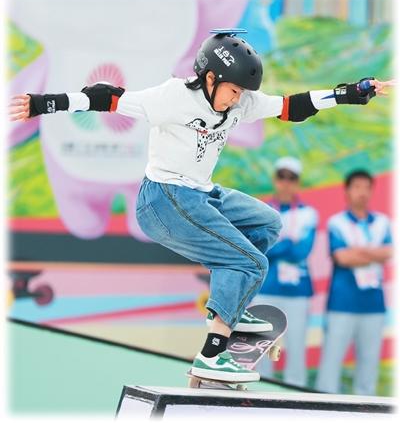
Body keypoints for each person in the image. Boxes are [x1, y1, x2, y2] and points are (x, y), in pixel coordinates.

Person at [9, 29, 393, 383]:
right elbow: (107, 97)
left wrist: (349, 93)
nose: (237, 100)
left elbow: (293, 106)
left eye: (242, 93)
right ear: (210, 78)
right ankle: (212, 354)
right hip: (163, 199)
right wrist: (44, 103)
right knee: (250, 262)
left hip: (202, 193)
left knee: (268, 223)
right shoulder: (173, 97)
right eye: (233, 91)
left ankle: (231, 305)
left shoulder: (240, 102)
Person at [316, 170, 392, 395]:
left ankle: (366, 409)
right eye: (357, 187)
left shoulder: (382, 222)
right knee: (331, 364)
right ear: (347, 191)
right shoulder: (337, 222)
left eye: (367, 187)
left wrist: (358, 250)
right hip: (342, 303)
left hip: (374, 305)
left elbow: (389, 252)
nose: (362, 192)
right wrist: (374, 252)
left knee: (369, 366)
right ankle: (323, 407)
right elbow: (342, 258)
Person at [252, 156, 318, 387]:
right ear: (275, 179)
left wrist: (277, 246)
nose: (286, 182)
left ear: (298, 182)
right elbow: (259, 248)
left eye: (292, 178)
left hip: (298, 293)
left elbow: (301, 252)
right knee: (262, 350)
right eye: (282, 176)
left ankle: (297, 398)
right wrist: (288, 242)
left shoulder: (309, 213)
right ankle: (261, 396)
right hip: (266, 289)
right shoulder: (261, 210)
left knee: (297, 350)